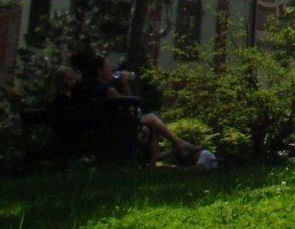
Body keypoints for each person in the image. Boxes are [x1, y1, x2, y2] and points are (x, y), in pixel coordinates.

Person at [69, 49, 213, 168]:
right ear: (99, 71)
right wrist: (125, 83)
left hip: (96, 132)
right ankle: (177, 146)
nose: (110, 69)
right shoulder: (107, 91)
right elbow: (130, 110)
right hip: (116, 133)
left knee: (150, 124)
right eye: (107, 67)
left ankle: (173, 149)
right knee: (150, 119)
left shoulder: (83, 89)